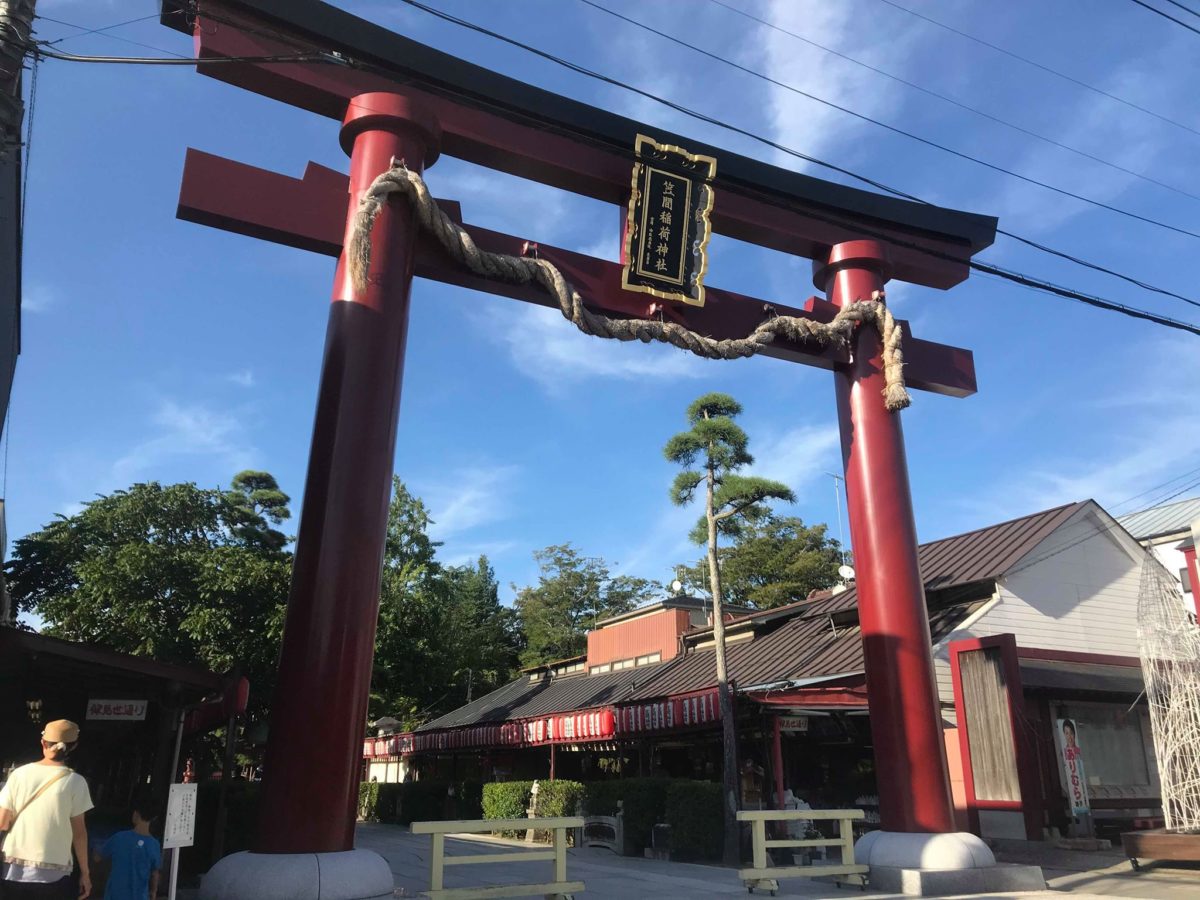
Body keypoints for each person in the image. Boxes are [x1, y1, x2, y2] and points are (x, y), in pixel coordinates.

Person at [0, 719, 94, 899]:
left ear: (43, 742)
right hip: (54, 873)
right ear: (73, 747)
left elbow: (2, 821)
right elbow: (79, 833)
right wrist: (85, 873)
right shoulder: (76, 782)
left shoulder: (19, 775)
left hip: (11, 870)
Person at [93, 800, 160, 900]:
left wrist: (93, 847)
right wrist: (153, 892)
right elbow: (155, 874)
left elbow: (97, 857)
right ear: (154, 819)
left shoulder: (119, 838)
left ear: (135, 814)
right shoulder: (154, 845)